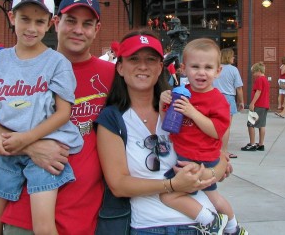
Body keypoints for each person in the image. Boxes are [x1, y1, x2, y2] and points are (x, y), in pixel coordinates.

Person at [0, 0, 115, 234]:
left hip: (85, 215)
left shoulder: (111, 75)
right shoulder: (15, 65)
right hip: (23, 213)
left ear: (96, 29)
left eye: (87, 24)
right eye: (71, 21)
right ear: (56, 23)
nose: (78, 30)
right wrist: (30, 147)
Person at [96, 32, 231, 235]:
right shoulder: (113, 118)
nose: (143, 66)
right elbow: (119, 185)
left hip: (204, 225)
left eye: (150, 60)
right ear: (120, 67)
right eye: (134, 59)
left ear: (160, 68)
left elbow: (219, 156)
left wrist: (207, 174)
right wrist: (172, 185)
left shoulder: (179, 107)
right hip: (150, 226)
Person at [159, 38, 246, 235]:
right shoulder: (181, 93)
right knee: (214, 197)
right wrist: (162, 103)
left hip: (199, 158)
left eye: (208, 67)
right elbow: (167, 125)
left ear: (218, 71)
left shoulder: (217, 100)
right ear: (183, 69)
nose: (201, 72)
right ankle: (234, 228)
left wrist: (192, 112)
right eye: (195, 66)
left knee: (167, 195)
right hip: (187, 154)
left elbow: (217, 130)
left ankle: (211, 221)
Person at [213, 48, 244, 159]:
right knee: (226, 127)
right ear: (228, 57)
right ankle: (224, 151)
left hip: (214, 97)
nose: (233, 58)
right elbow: (239, 88)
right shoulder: (233, 70)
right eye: (232, 56)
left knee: (213, 124)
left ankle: (213, 148)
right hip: (228, 98)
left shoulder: (216, 68)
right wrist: (241, 101)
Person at [241, 62, 270, 151]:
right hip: (264, 105)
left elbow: (258, 91)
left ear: (258, 71)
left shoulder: (259, 80)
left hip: (258, 105)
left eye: (254, 72)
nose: (253, 75)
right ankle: (261, 144)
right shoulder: (265, 80)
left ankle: (252, 144)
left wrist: (252, 103)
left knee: (251, 124)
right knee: (262, 125)